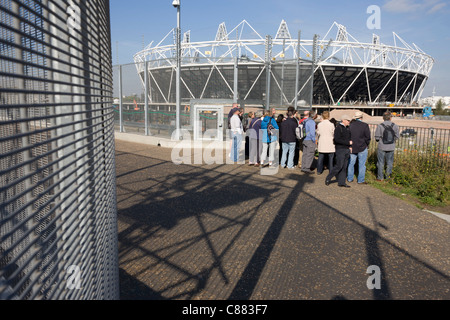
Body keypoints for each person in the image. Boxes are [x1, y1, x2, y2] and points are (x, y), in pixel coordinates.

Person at [325, 114, 352, 188]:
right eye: (347, 120)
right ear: (343, 120)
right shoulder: (338, 128)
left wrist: (350, 146)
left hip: (346, 149)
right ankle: (328, 178)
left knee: (344, 166)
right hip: (340, 149)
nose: (349, 122)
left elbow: (348, 138)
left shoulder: (347, 128)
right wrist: (348, 143)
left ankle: (342, 182)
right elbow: (337, 140)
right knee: (339, 166)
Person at [347, 111, 371, 184]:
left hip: (352, 147)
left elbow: (348, 136)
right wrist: (366, 144)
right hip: (362, 147)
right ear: (361, 117)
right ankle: (360, 180)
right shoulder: (365, 125)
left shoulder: (350, 125)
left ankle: (350, 178)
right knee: (362, 164)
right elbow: (368, 137)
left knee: (351, 163)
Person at [375, 111, 400, 181]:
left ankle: (380, 177)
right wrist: (392, 140)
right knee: (389, 163)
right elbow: (397, 137)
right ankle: (388, 177)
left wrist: (380, 140)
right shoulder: (395, 126)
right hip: (391, 147)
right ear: (390, 118)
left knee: (380, 162)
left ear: (383, 118)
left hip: (382, 146)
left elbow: (377, 137)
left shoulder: (380, 126)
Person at [316, 111, 335, 175]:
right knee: (331, 158)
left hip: (322, 141)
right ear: (329, 116)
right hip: (330, 142)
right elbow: (333, 133)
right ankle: (331, 170)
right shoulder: (331, 125)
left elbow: (318, 133)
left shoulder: (319, 124)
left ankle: (319, 170)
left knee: (320, 157)